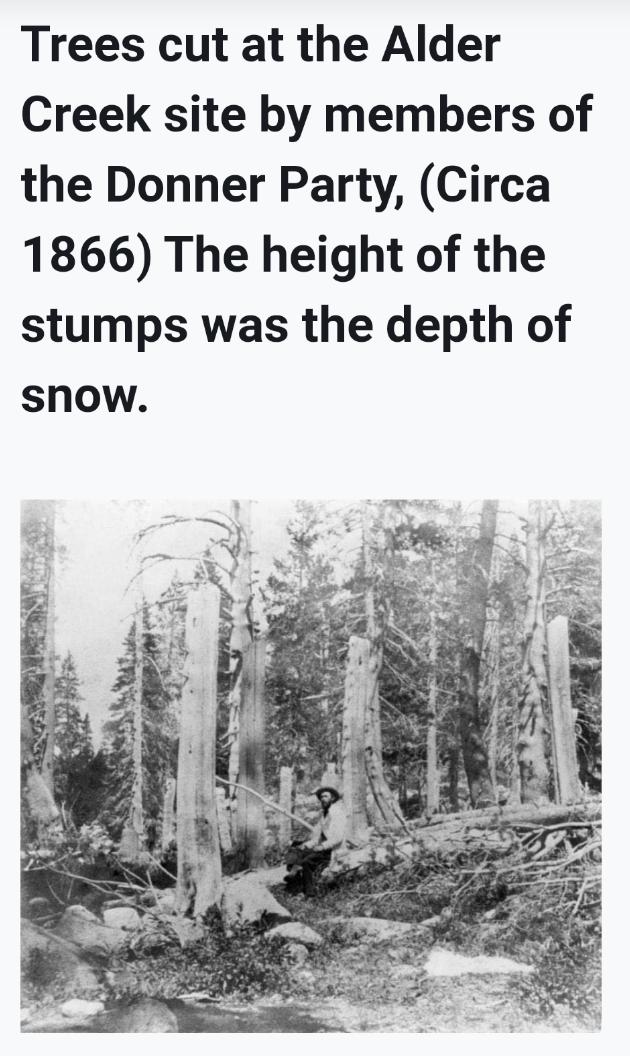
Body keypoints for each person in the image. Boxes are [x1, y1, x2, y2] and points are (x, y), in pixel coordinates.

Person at [290, 776, 346, 897]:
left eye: (326, 796)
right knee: (296, 850)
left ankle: (310, 893)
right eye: (321, 797)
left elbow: (338, 837)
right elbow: (316, 837)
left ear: (333, 798)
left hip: (333, 850)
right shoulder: (323, 815)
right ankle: (293, 881)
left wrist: (322, 847)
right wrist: (305, 845)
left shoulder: (337, 813)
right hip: (323, 848)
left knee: (307, 862)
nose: (323, 799)